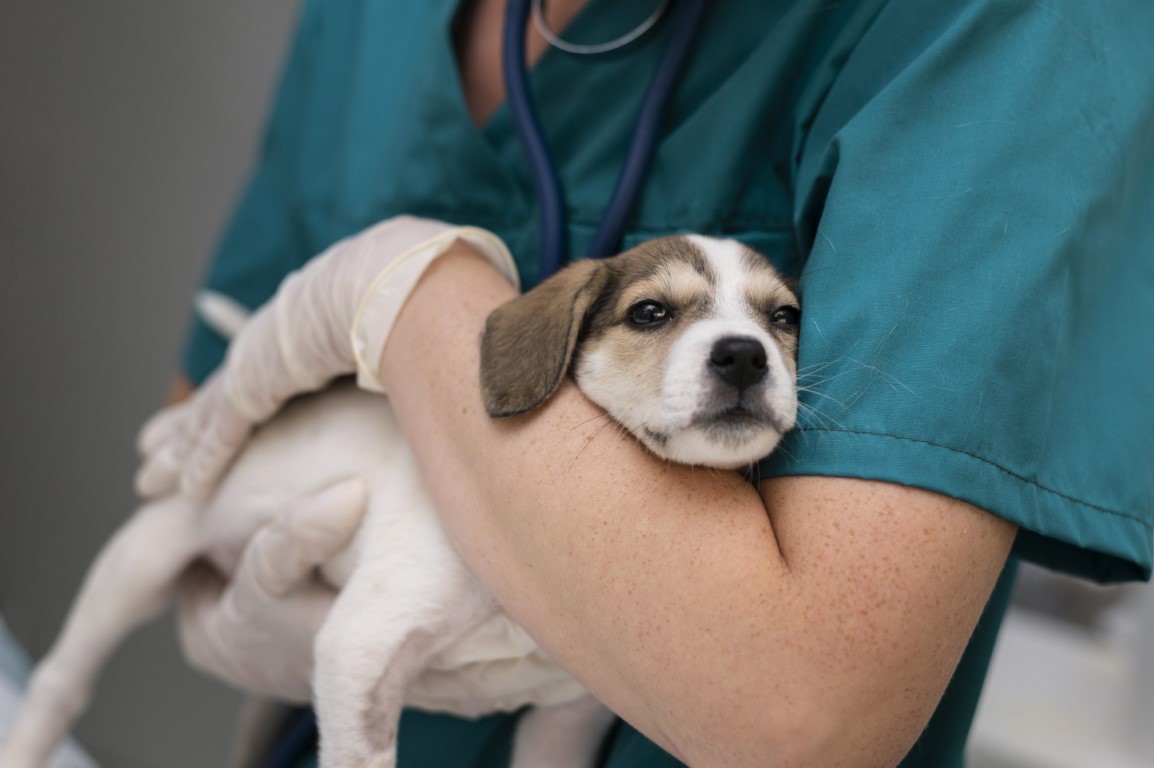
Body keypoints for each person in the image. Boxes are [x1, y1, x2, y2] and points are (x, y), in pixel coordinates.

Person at [139, 0, 1154, 765]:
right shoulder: (375, 19)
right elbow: (193, 444)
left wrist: (410, 294)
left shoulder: (1002, 25)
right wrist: (271, 609)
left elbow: (797, 708)